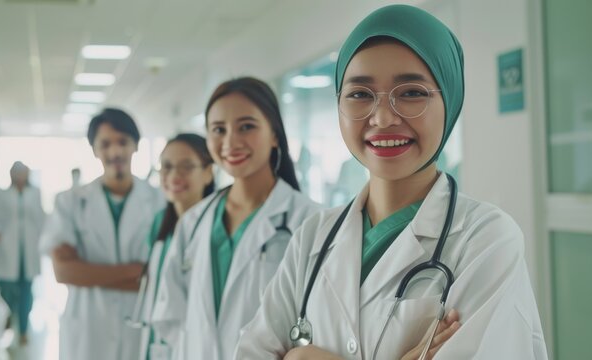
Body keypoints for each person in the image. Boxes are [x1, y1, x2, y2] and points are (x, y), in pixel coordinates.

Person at [235, 5, 548, 360]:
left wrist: (301, 357)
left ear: (451, 99)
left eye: (411, 92)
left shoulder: (486, 239)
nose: (382, 118)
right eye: (360, 94)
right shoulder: (313, 236)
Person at [152, 77, 321, 360]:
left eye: (246, 127)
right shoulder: (194, 221)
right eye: (218, 129)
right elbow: (171, 316)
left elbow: (318, 324)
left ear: (275, 135)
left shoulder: (310, 220)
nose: (230, 142)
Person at [40, 108, 163, 360]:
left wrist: (88, 272)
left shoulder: (159, 201)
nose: (115, 152)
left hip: (139, 323)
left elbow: (159, 277)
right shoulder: (70, 202)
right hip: (88, 326)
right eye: (105, 144)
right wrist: (133, 271)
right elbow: (63, 272)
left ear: (135, 146)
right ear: (94, 149)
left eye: (123, 142)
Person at [136, 134, 215, 360]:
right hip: (157, 345)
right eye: (167, 167)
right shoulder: (160, 223)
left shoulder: (214, 229)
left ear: (208, 172)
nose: (173, 176)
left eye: (186, 166)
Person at [0, 161, 45, 345]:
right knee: (5, 287)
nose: (20, 177)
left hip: (28, 248)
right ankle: (11, 313)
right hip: (8, 247)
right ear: (12, 175)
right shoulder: (2, 195)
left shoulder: (35, 193)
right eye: (17, 173)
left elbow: (40, 218)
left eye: (23, 173)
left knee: (26, 291)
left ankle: (22, 329)